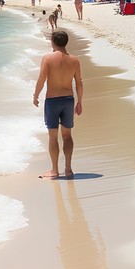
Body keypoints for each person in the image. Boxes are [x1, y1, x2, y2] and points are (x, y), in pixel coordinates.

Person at [33, 30, 84, 180]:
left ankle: (54, 170)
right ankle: (68, 169)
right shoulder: (75, 60)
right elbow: (79, 83)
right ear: (66, 42)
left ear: (53, 43)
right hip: (68, 99)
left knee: (53, 137)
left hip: (53, 101)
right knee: (67, 136)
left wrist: (35, 96)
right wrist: (80, 101)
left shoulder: (47, 59)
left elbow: (42, 79)